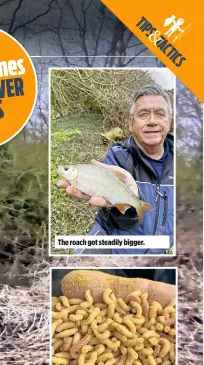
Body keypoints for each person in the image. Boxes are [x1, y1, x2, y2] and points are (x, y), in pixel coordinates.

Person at [58, 83, 174, 255]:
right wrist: (132, 205)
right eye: (143, 114)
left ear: (169, 121)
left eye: (160, 114)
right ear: (130, 124)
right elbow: (117, 220)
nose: (152, 121)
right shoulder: (118, 157)